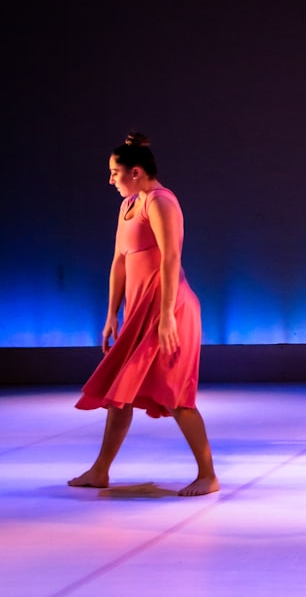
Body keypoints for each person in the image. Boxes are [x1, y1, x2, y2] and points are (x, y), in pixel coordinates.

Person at [69, 132, 219, 497]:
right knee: (120, 393)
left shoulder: (161, 202)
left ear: (135, 172)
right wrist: (111, 315)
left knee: (174, 393)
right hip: (139, 311)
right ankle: (100, 470)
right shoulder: (128, 205)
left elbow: (171, 258)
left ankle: (208, 475)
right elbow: (120, 261)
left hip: (169, 309)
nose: (110, 180)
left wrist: (166, 314)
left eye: (114, 172)